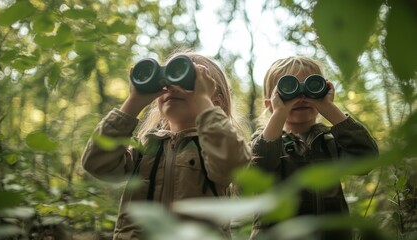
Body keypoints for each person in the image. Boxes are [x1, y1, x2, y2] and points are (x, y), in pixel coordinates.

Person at [81, 50, 251, 240]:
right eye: (168, 81)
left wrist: (203, 100)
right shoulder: (145, 148)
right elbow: (96, 163)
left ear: (215, 101)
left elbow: (233, 164)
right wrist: (133, 102)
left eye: (188, 82)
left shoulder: (215, 147)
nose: (173, 88)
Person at [250, 56, 379, 240]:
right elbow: (257, 171)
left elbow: (366, 159)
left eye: (310, 86)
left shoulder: (331, 140)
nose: (301, 97)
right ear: (269, 104)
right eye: (288, 88)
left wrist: (327, 107)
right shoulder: (263, 141)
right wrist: (280, 112)